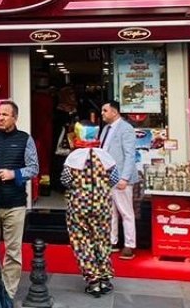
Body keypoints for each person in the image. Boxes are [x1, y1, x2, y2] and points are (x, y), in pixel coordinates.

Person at [0, 100, 39, 300]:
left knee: (13, 252)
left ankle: (7, 294)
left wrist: (15, 174)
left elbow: (34, 168)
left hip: (15, 204)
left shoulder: (25, 139)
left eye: (5, 114)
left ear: (15, 117)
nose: (0, 118)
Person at [61, 122, 118, 296]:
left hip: (78, 206)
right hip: (102, 205)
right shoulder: (105, 156)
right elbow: (114, 179)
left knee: (81, 241)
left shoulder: (73, 158)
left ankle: (92, 279)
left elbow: (65, 181)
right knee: (102, 239)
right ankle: (105, 277)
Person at [100, 100, 139, 259]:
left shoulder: (126, 129)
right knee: (110, 212)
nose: (102, 113)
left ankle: (129, 244)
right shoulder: (105, 129)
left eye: (105, 110)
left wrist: (125, 177)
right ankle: (112, 240)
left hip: (121, 177)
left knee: (126, 212)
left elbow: (130, 155)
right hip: (106, 176)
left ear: (114, 112)